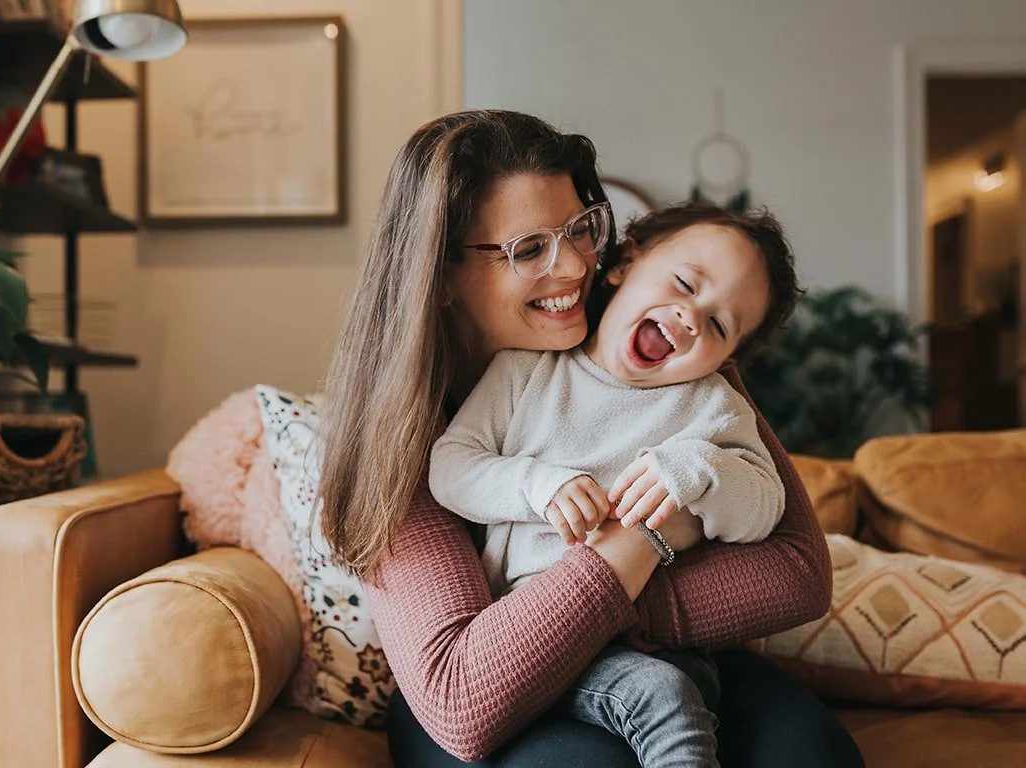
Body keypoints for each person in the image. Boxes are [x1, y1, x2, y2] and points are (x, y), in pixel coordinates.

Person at [319, 109, 864, 768]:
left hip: (661, 655)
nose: (576, 265)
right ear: (438, 275)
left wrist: (680, 507)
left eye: (580, 229)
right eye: (528, 249)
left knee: (810, 753)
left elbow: (796, 574)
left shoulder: (676, 355)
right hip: (479, 684)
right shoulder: (405, 431)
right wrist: (648, 535)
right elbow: (462, 695)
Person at [428, 202, 801, 767]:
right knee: (662, 696)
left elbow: (765, 507)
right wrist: (537, 485)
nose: (691, 317)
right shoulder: (525, 372)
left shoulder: (713, 409)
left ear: (728, 358)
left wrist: (700, 469)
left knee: (678, 691)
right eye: (684, 284)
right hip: (530, 639)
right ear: (626, 263)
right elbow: (451, 467)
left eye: (719, 325)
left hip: (654, 647)